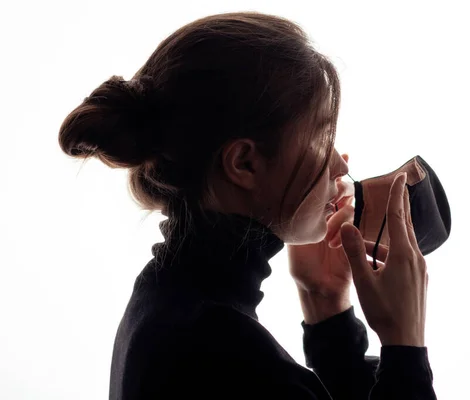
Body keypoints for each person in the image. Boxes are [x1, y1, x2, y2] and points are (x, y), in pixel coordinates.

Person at [58, 12, 436, 399]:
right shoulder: (226, 356)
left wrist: (328, 313)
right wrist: (405, 344)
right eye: (321, 136)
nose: (339, 165)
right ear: (243, 163)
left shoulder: (168, 301)